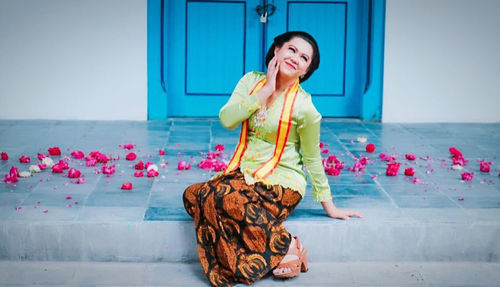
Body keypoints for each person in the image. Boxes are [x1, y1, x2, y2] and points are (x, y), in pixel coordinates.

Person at [183, 31, 364, 287]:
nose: (295, 58)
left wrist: (330, 207)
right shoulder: (251, 82)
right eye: (291, 50)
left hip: (282, 182)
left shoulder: (306, 107)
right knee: (193, 195)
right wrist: (266, 90)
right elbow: (227, 119)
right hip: (244, 174)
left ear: (306, 71)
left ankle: (281, 247)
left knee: (219, 197)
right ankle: (279, 246)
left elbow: (312, 158)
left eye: (304, 58)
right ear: (277, 50)